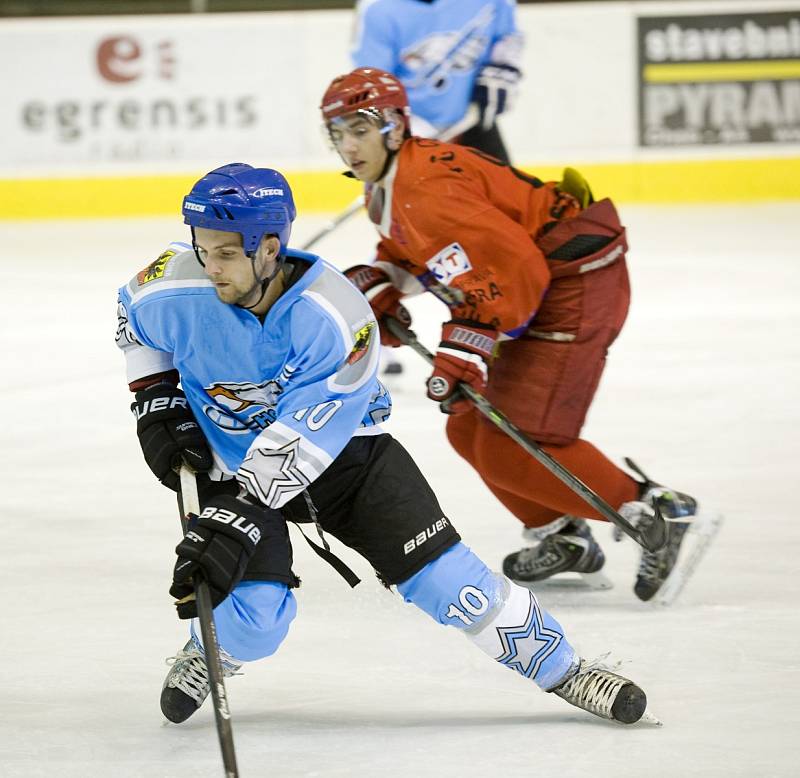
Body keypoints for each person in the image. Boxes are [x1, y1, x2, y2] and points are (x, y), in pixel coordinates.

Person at [116, 163, 654, 726]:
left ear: (269, 248)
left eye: (225, 254)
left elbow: (309, 432)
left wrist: (242, 514)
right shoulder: (173, 283)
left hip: (347, 458)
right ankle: (215, 646)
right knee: (255, 623)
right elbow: (132, 320)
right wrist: (157, 401)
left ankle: (565, 670)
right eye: (203, 250)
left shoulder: (337, 315)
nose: (210, 267)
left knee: (454, 588)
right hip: (229, 462)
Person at [320, 67, 717, 604]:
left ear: (393, 125)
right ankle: (565, 536)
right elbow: (428, 248)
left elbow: (515, 270)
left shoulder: (421, 187)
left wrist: (468, 345)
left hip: (572, 285)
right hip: (544, 284)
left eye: (358, 129)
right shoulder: (392, 186)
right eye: (337, 132)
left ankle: (656, 511)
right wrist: (386, 278)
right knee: (468, 428)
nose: (347, 145)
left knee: (518, 440)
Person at [350, 0, 522, 163]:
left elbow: (508, 37)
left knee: (511, 193)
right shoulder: (378, 8)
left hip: (472, 122)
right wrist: (402, 128)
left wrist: (500, 71)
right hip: (408, 135)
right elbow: (373, 84)